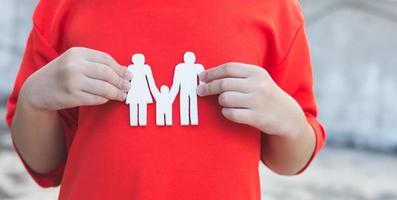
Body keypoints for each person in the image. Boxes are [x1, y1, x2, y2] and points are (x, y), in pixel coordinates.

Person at [6, 0, 326, 199]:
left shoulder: (273, 8)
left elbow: (292, 160)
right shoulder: (62, 6)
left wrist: (288, 121)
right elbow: (45, 165)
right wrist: (35, 100)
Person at [170, 51, 205, 126]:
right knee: (184, 104)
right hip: (184, 89)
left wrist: (203, 89)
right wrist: (172, 94)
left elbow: (202, 80)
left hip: (193, 89)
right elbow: (176, 82)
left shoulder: (198, 67)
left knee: (192, 104)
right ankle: (185, 120)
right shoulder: (180, 67)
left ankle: (193, 120)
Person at [126, 53, 156, 126]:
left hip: (140, 90)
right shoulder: (131, 67)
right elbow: (126, 80)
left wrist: (155, 92)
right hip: (136, 90)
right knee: (136, 106)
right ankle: (135, 122)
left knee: (140, 106)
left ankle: (140, 122)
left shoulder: (145, 67)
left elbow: (151, 81)